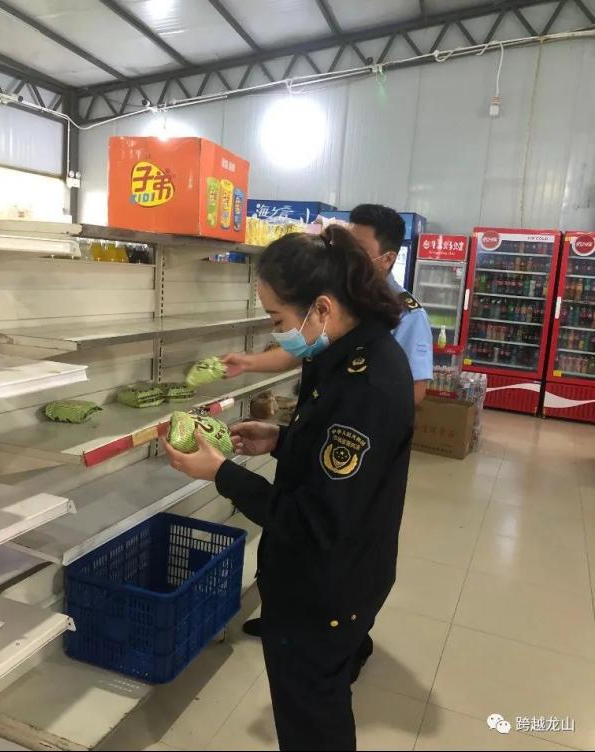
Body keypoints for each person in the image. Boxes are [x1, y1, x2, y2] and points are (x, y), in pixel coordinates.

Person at [163, 226, 414, 751]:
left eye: (278, 320)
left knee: (312, 723)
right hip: (322, 576)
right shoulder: (341, 355)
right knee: (312, 709)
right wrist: (282, 439)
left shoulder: (368, 383)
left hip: (327, 589)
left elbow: (314, 519)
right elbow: (333, 461)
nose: (278, 333)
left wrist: (221, 474)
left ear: (322, 307)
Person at [224, 203, 433, 405]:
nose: (349, 255)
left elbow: (413, 391)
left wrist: (349, 410)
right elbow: (305, 348)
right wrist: (246, 362)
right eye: (348, 245)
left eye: (359, 249)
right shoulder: (345, 296)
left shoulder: (408, 314)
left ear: (387, 259)